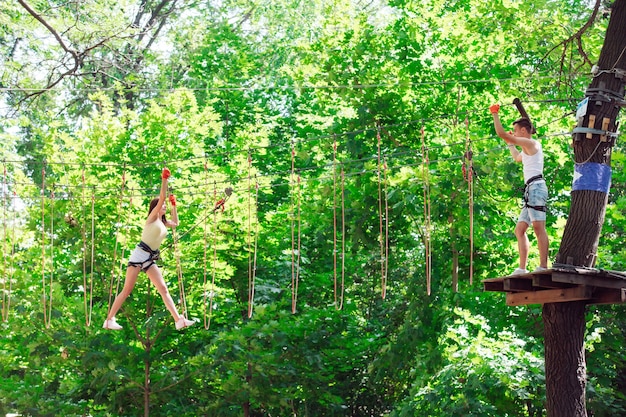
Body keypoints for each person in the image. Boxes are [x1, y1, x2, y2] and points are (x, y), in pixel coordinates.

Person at [103, 167, 195, 330]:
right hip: (139, 256)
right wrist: (164, 180)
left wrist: (174, 206)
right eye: (163, 205)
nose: (164, 206)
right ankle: (110, 319)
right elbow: (161, 197)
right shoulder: (152, 219)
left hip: (149, 259)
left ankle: (178, 319)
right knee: (126, 290)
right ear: (155, 207)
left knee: (163, 288)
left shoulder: (163, 223)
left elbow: (176, 223)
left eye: (166, 205)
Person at [490, 103, 549, 275]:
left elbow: (501, 133)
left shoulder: (532, 144)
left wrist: (495, 114)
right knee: (520, 229)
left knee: (538, 227)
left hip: (537, 188)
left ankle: (543, 266)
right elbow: (517, 157)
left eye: (515, 131)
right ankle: (522, 268)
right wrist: (510, 143)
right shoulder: (527, 149)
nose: (514, 134)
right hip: (530, 189)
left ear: (523, 131)